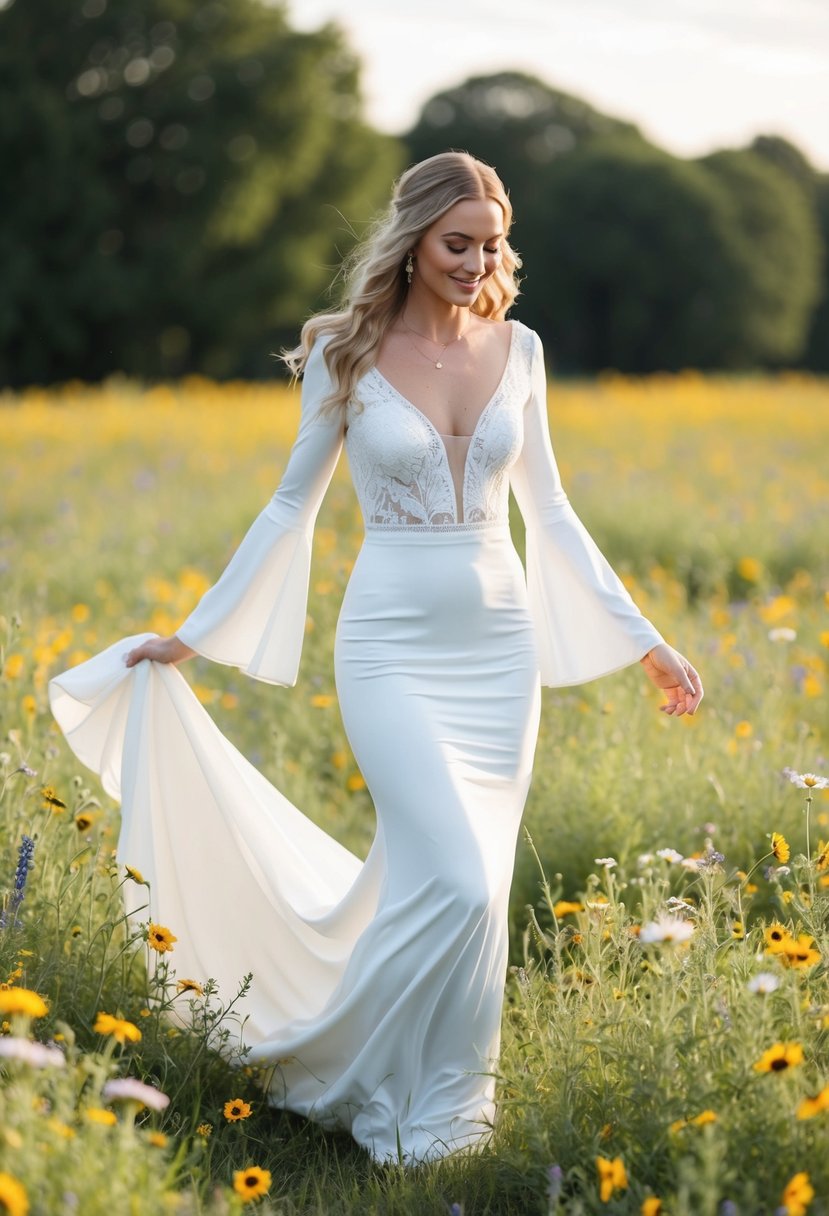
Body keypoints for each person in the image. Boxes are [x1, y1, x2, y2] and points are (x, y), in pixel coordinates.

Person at [49, 151, 702, 1166]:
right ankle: (326, 1055)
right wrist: (195, 632)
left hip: (497, 652)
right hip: (390, 645)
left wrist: (644, 639)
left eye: (490, 242)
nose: (476, 260)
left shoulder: (517, 349)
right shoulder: (344, 355)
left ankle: (445, 1119)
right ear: (409, 243)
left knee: (477, 886)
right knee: (451, 877)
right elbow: (287, 506)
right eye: (456, 243)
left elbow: (553, 513)